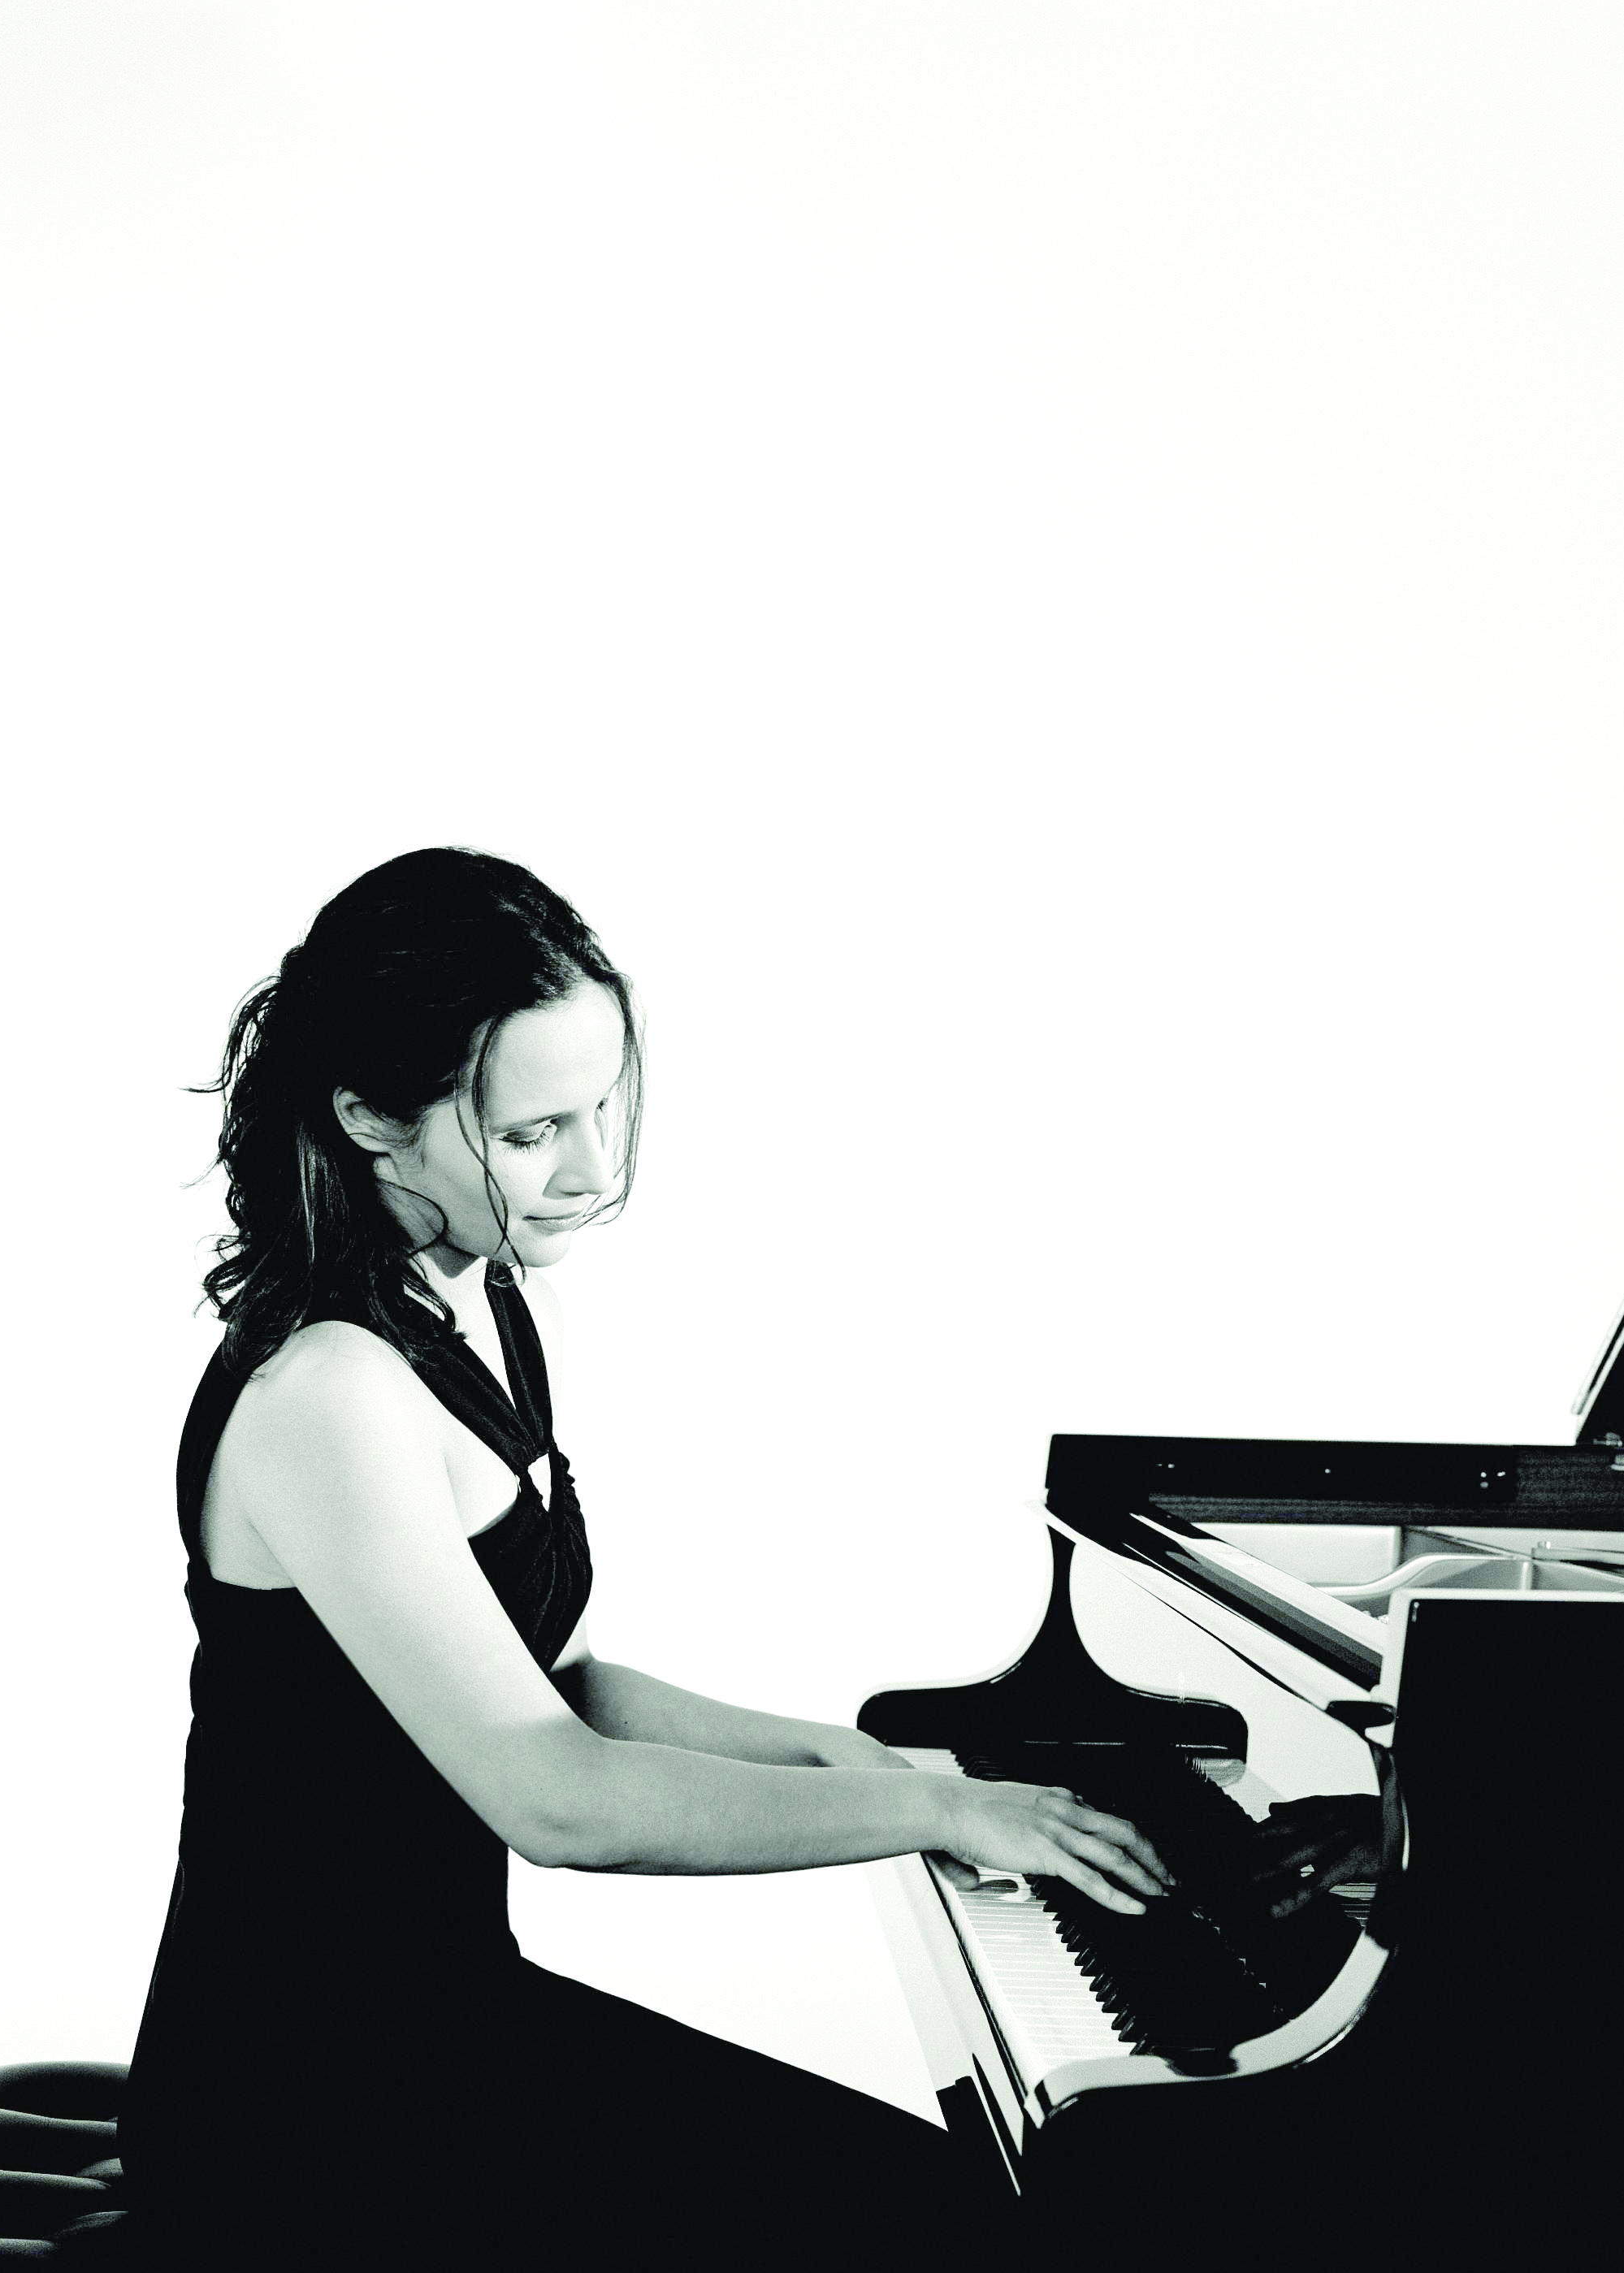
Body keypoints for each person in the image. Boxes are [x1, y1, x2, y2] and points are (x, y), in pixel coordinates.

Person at [120, 846, 1174, 2269]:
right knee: (944, 2219)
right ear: (370, 1117)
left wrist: (847, 1756)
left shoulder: (487, 1306)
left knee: (964, 2202)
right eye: (531, 1130)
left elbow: (566, 1686)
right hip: (294, 2107)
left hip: (437, 2026)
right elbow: (558, 1798)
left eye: (603, 1105)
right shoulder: (328, 1394)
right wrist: (933, 1812)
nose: (595, 1168)